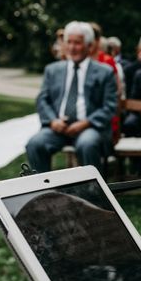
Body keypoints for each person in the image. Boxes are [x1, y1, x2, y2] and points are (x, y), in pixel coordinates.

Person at [26, 21, 117, 174]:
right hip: (58, 127)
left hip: (90, 128)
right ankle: (43, 194)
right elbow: (42, 100)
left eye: (78, 43)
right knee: (35, 144)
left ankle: (91, 194)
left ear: (89, 46)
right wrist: (53, 121)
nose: (72, 47)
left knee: (87, 144)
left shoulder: (105, 72)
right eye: (69, 42)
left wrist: (85, 123)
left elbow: (110, 106)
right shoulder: (52, 70)